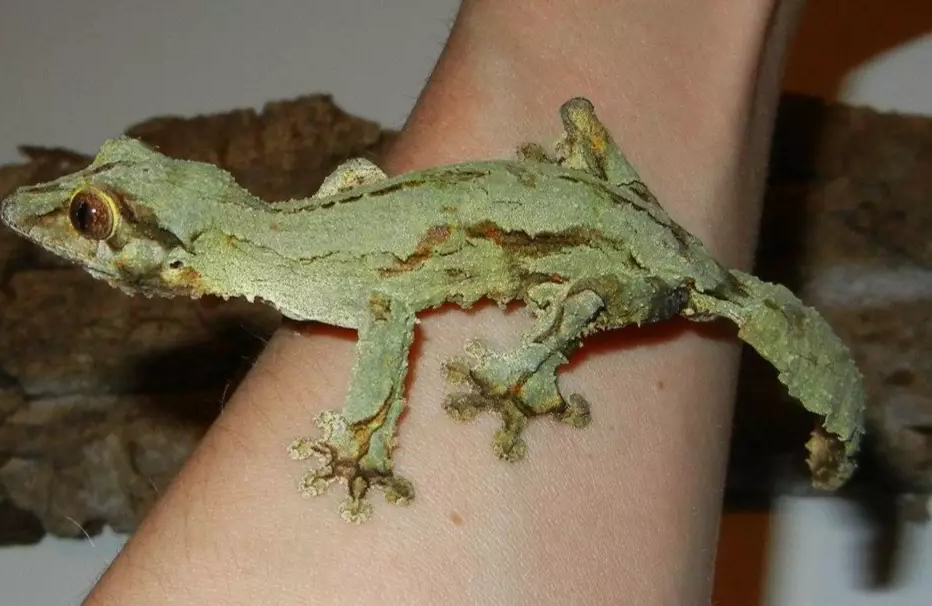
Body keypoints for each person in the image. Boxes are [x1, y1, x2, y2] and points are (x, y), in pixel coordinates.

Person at [84, 1, 805, 603]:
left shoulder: (298, 271)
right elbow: (357, 180)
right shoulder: (286, 253)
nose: (71, 228)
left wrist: (361, 441)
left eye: (92, 218)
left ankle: (529, 376)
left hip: (624, 262)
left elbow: (389, 314)